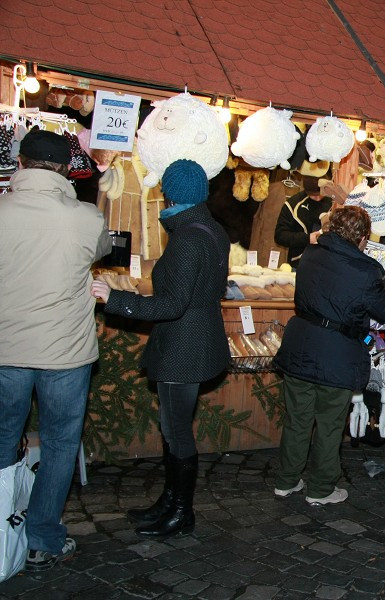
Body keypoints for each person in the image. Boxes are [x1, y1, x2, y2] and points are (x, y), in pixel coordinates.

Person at [92, 159, 230, 539]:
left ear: (169, 192)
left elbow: (172, 305)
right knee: (174, 427)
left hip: (183, 347)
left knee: (176, 430)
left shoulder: (188, 238)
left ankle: (181, 513)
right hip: (197, 338)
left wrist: (115, 298)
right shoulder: (211, 229)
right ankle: (169, 502)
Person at [0, 129, 111, 571]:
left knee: (4, 437)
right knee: (61, 443)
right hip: (65, 350)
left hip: (6, 346)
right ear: (67, 169)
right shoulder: (85, 217)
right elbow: (102, 250)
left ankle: (1, 530)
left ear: (21, 163)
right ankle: (43, 537)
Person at [273, 205, 385, 505]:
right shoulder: (366, 271)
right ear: (362, 239)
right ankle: (320, 489)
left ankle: (287, 481)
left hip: (300, 345)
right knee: (330, 424)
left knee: (297, 420)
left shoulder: (310, 254)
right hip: (336, 354)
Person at [274, 184, 333, 267]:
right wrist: (307, 238)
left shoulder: (333, 201)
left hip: (328, 264)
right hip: (300, 263)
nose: (318, 198)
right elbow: (280, 236)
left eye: (321, 194)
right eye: (314, 195)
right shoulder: (293, 204)